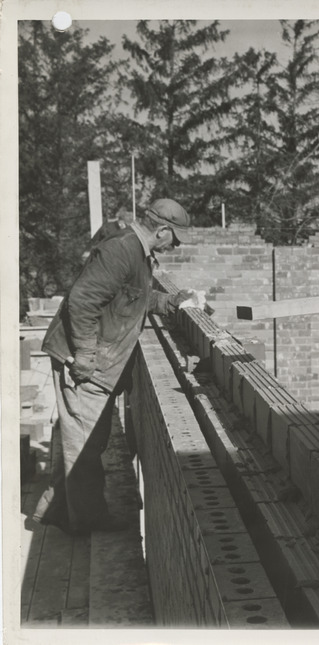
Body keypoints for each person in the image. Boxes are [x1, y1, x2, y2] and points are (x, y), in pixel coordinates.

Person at [33, 198, 195, 535]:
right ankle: (86, 524)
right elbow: (83, 301)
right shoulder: (121, 250)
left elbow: (132, 297)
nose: (176, 246)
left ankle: (51, 510)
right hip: (81, 359)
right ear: (162, 231)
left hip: (94, 361)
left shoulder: (137, 254)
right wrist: (86, 356)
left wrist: (168, 302)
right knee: (86, 446)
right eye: (175, 238)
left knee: (84, 439)